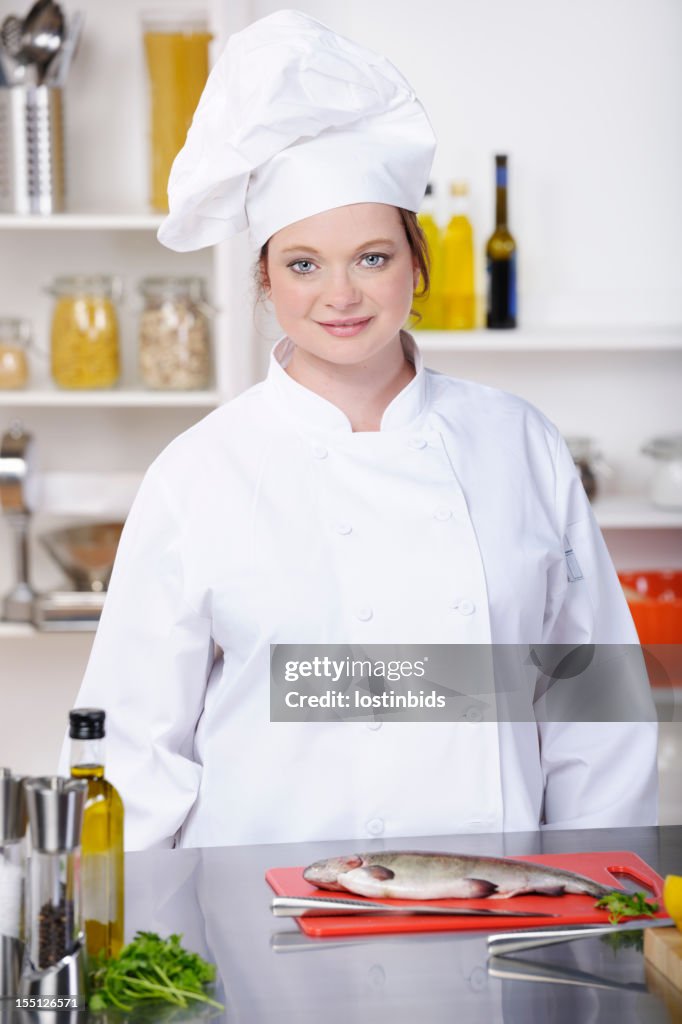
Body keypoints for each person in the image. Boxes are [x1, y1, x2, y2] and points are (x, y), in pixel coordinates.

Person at [62, 10, 657, 850]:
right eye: (303, 263)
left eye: (372, 257)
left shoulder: (517, 443)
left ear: (418, 265)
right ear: (265, 279)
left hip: (504, 915)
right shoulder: (201, 472)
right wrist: (121, 947)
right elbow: (133, 744)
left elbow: (595, 704)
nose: (340, 295)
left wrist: (605, 907)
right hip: (260, 925)